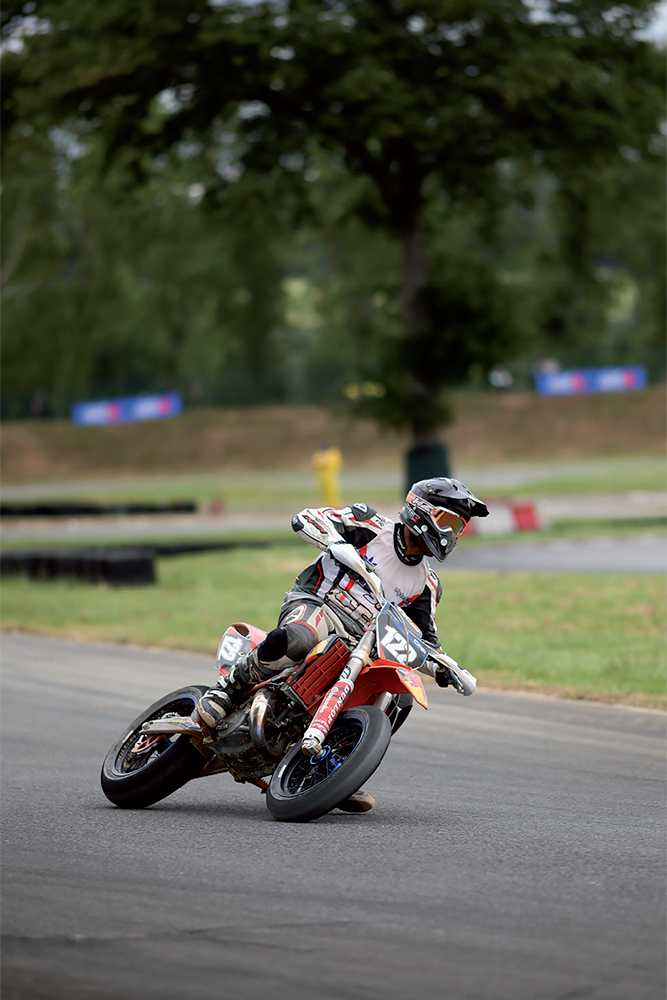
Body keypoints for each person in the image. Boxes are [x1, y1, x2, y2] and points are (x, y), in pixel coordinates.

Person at [194, 477, 489, 732]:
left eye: (458, 528)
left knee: (401, 696)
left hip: (361, 643)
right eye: (447, 522)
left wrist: (446, 669)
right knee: (300, 639)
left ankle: (341, 764)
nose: (452, 534)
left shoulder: (428, 584)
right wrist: (336, 544)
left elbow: (425, 640)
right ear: (422, 510)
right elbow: (307, 518)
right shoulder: (370, 524)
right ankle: (228, 689)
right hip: (318, 603)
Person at [311, 439, 342, 507]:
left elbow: (331, 463)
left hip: (331, 476)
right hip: (321, 476)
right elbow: (315, 463)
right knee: (323, 493)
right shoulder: (318, 453)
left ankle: (335, 507)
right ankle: (326, 507)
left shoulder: (334, 452)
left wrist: (323, 462)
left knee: (332, 492)